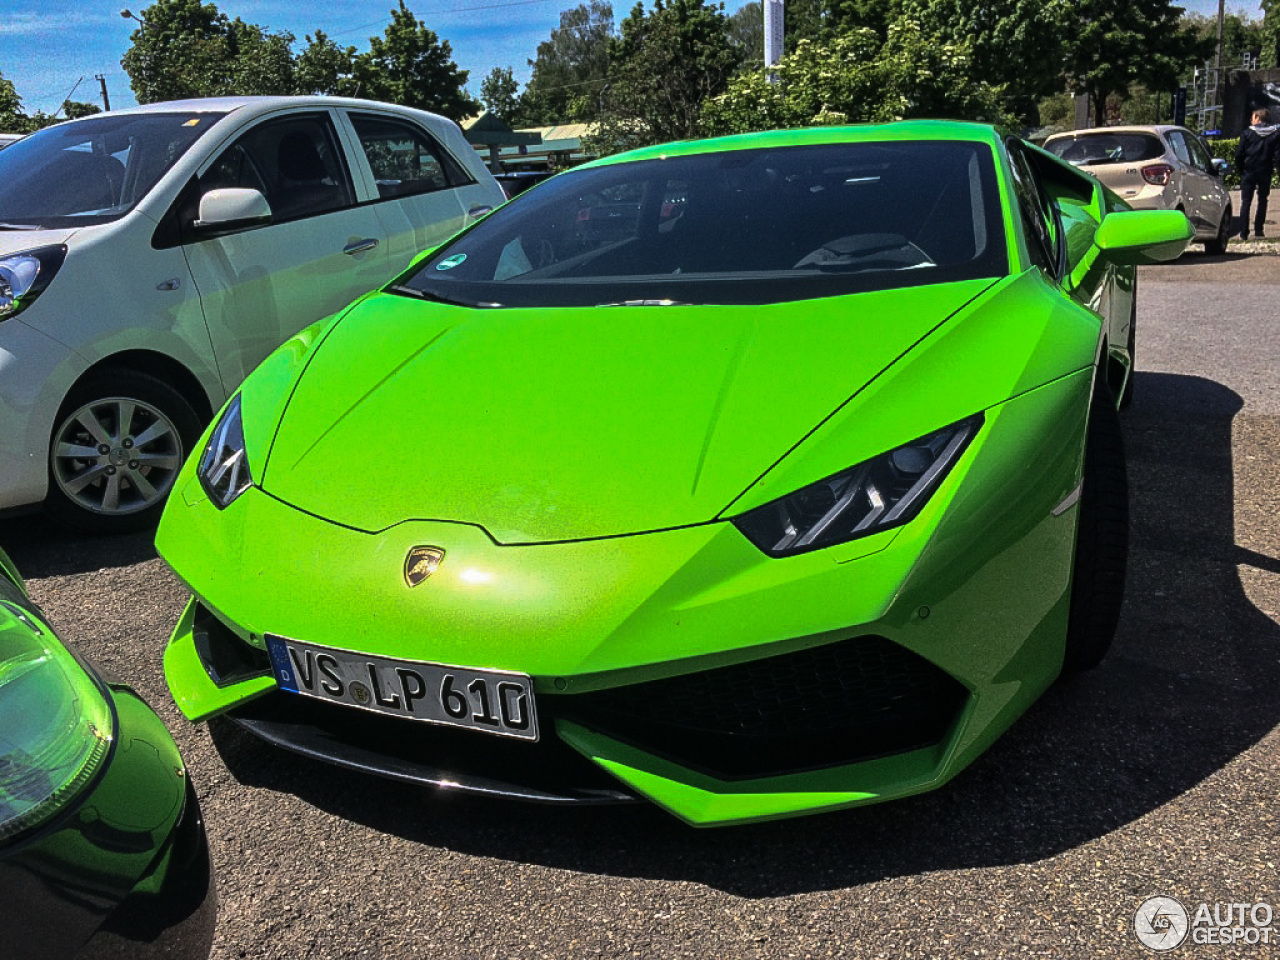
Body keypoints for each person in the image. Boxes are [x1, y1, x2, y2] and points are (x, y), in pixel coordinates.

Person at [1235, 107, 1280, 240]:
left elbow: (1239, 154)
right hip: (1265, 170)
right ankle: (1259, 230)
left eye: (1253, 117)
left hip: (1249, 171)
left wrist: (1240, 168)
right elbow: (1278, 155)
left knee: (1246, 202)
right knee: (1262, 200)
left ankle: (1244, 232)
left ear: (1258, 118)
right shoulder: (1275, 134)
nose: (1251, 120)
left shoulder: (1247, 133)